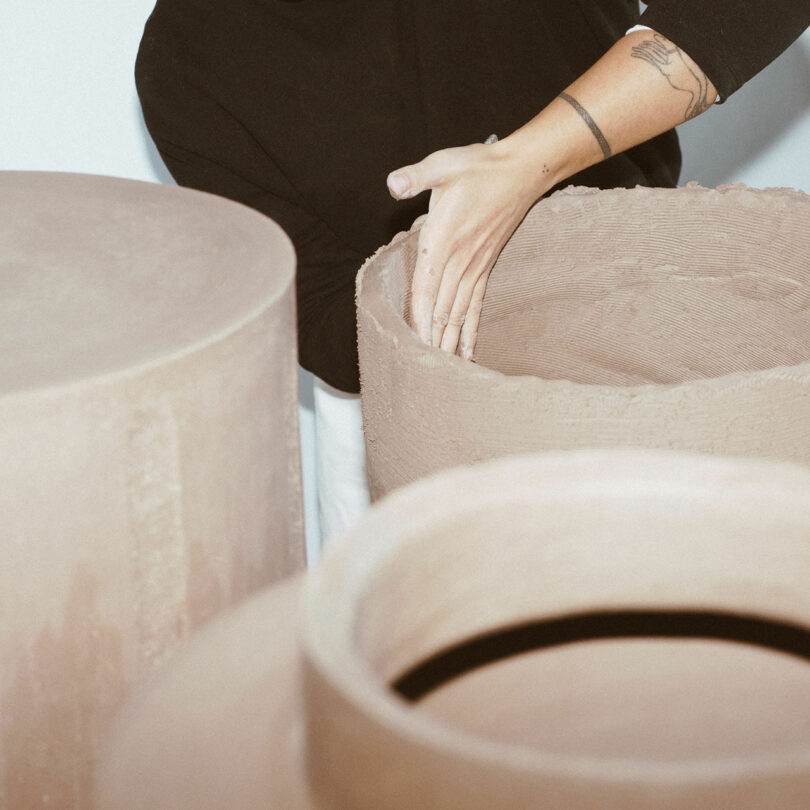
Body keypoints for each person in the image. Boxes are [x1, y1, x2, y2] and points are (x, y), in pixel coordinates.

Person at [136, 1, 810, 545]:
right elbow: (321, 307)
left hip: (639, 319)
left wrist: (523, 165)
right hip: (403, 399)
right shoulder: (185, 58)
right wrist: (474, 267)